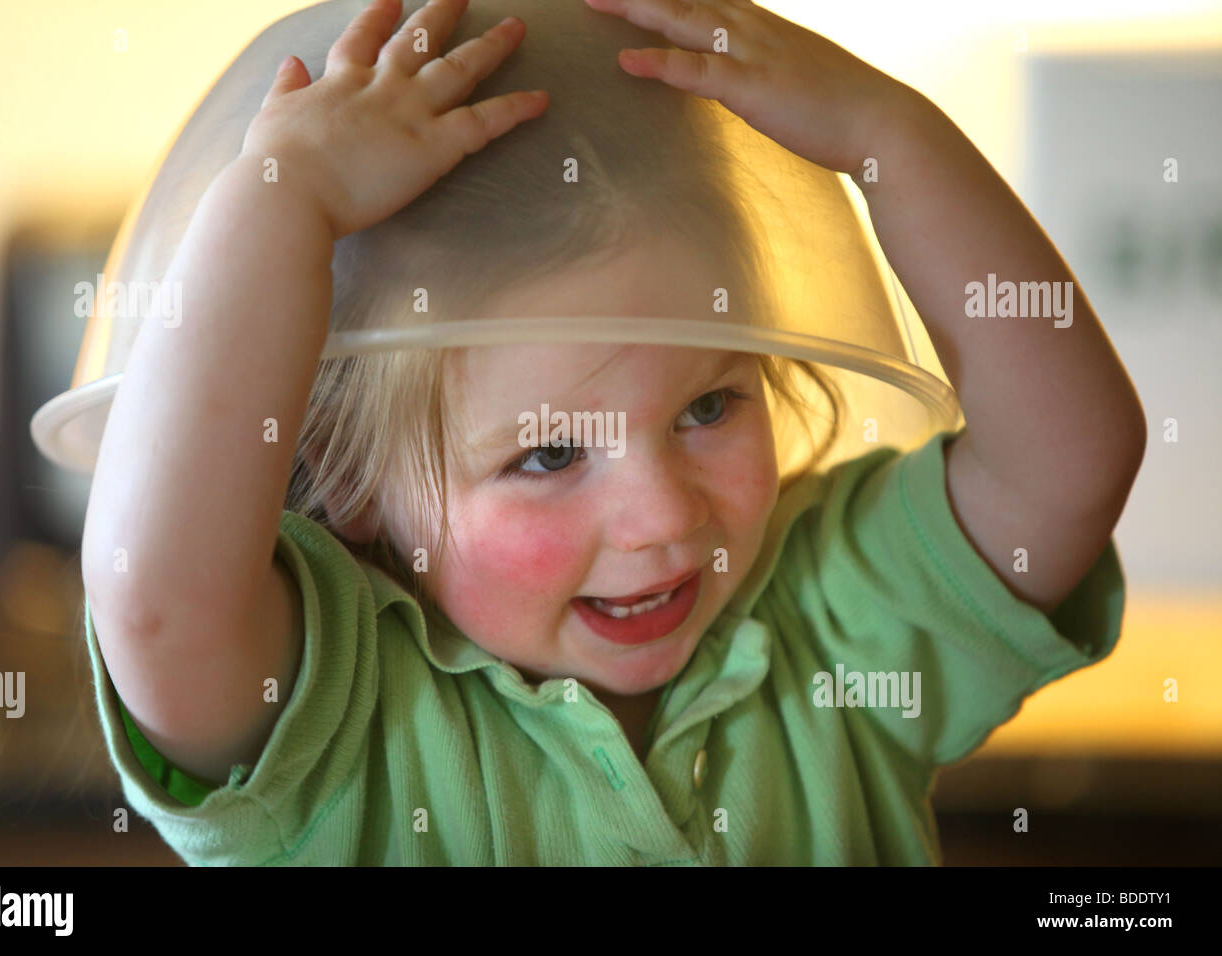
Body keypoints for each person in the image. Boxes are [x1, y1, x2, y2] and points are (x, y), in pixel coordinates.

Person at [79, 0, 1145, 864]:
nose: (664, 513)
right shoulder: (330, 731)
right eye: (547, 453)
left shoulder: (830, 623)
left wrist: (886, 136)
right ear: (352, 481)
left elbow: (1071, 461)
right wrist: (284, 197)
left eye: (709, 404)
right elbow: (157, 604)